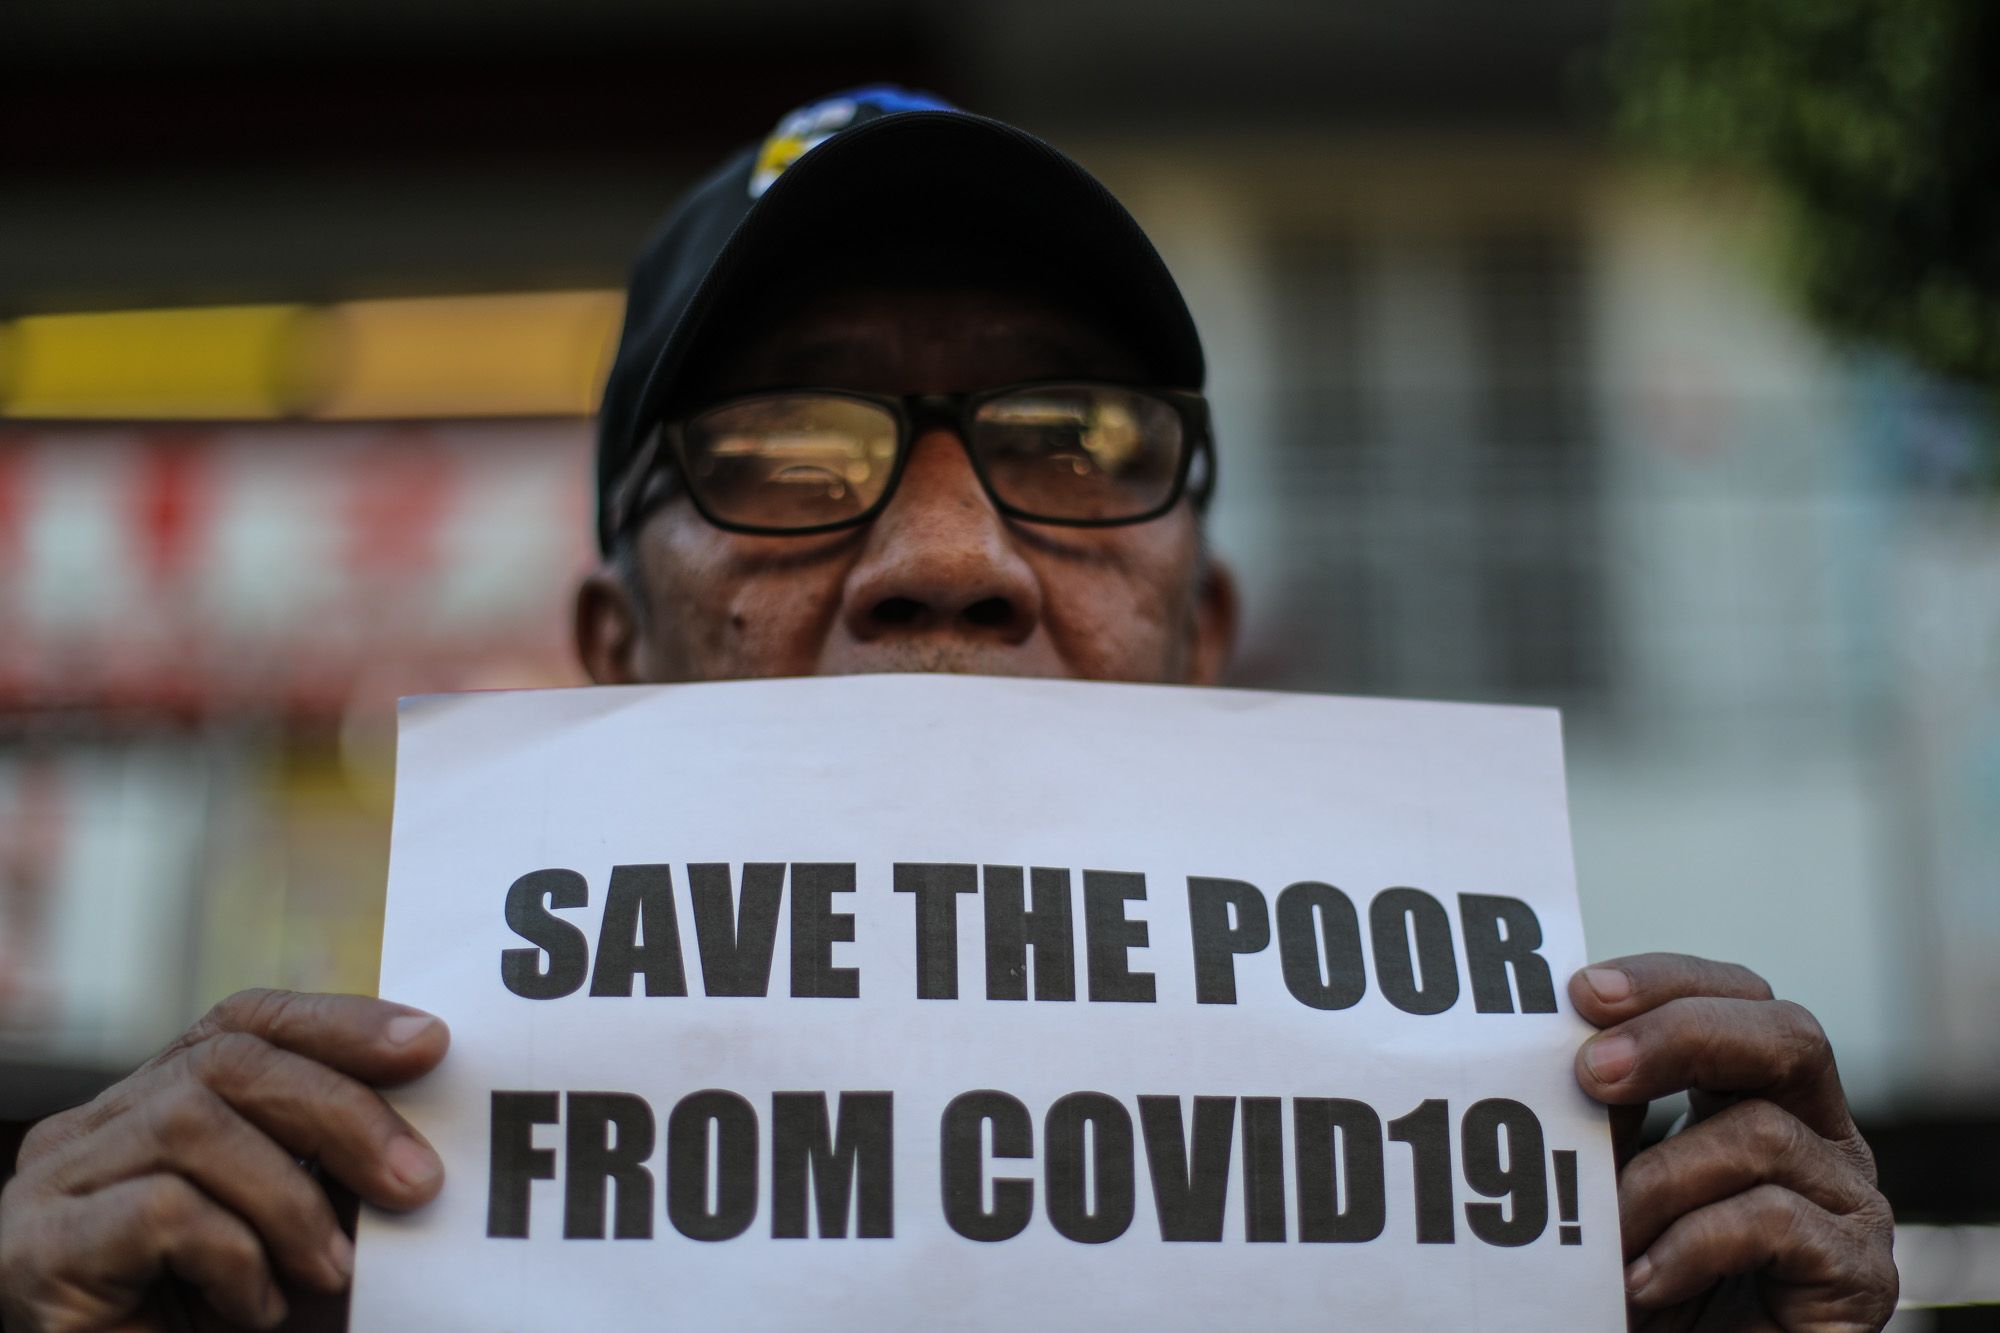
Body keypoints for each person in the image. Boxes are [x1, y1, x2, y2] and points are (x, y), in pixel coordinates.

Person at [0, 88, 1896, 1332]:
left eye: (1071, 441)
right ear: (610, 646)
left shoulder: (1543, 1258)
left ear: (1205, 634)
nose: (947, 551)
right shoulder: (340, 1267)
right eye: (784, 447)